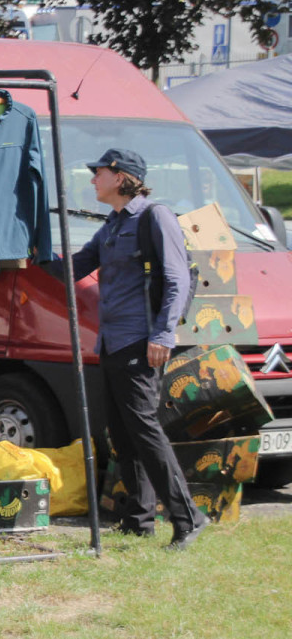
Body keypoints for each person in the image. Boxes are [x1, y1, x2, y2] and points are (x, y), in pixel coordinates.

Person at [71, 148, 207, 550]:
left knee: (145, 431)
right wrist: (32, 253)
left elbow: (177, 280)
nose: (93, 179)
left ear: (120, 177)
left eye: (98, 172)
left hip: (140, 341)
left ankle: (188, 518)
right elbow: (74, 267)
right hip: (112, 342)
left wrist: (163, 335)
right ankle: (139, 520)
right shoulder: (112, 224)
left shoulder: (155, 216)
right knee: (123, 433)